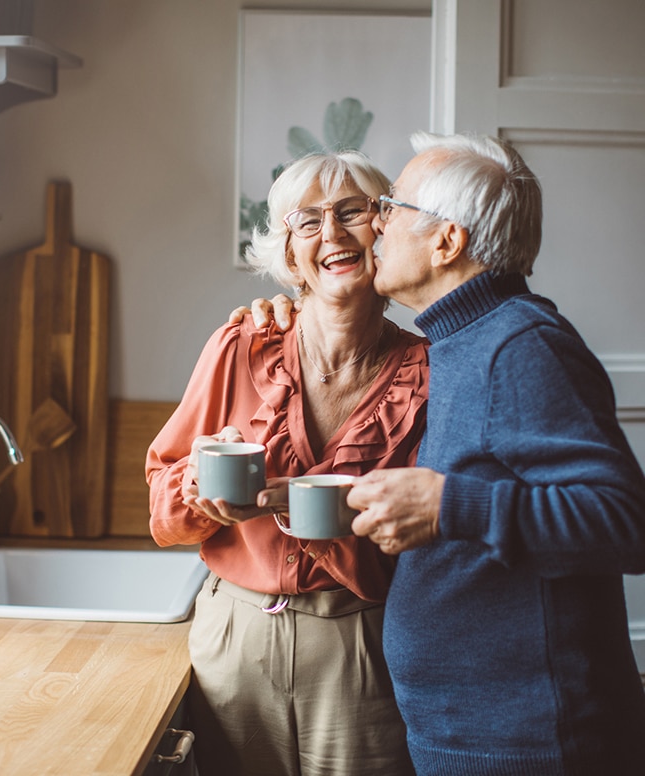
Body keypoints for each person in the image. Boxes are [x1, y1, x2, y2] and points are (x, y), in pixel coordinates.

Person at [244, 131, 645, 775]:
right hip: (476, 732)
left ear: (447, 241)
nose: (373, 225)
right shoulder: (460, 341)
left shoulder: (521, 345)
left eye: (390, 208)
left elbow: (625, 522)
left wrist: (447, 505)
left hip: (528, 744)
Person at [146, 150, 428, 776]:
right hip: (235, 636)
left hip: (362, 640)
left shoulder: (431, 374)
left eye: (352, 212)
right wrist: (200, 493)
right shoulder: (239, 345)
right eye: (307, 221)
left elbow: (433, 542)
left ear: (383, 229)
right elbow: (161, 503)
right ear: (290, 254)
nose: (331, 233)